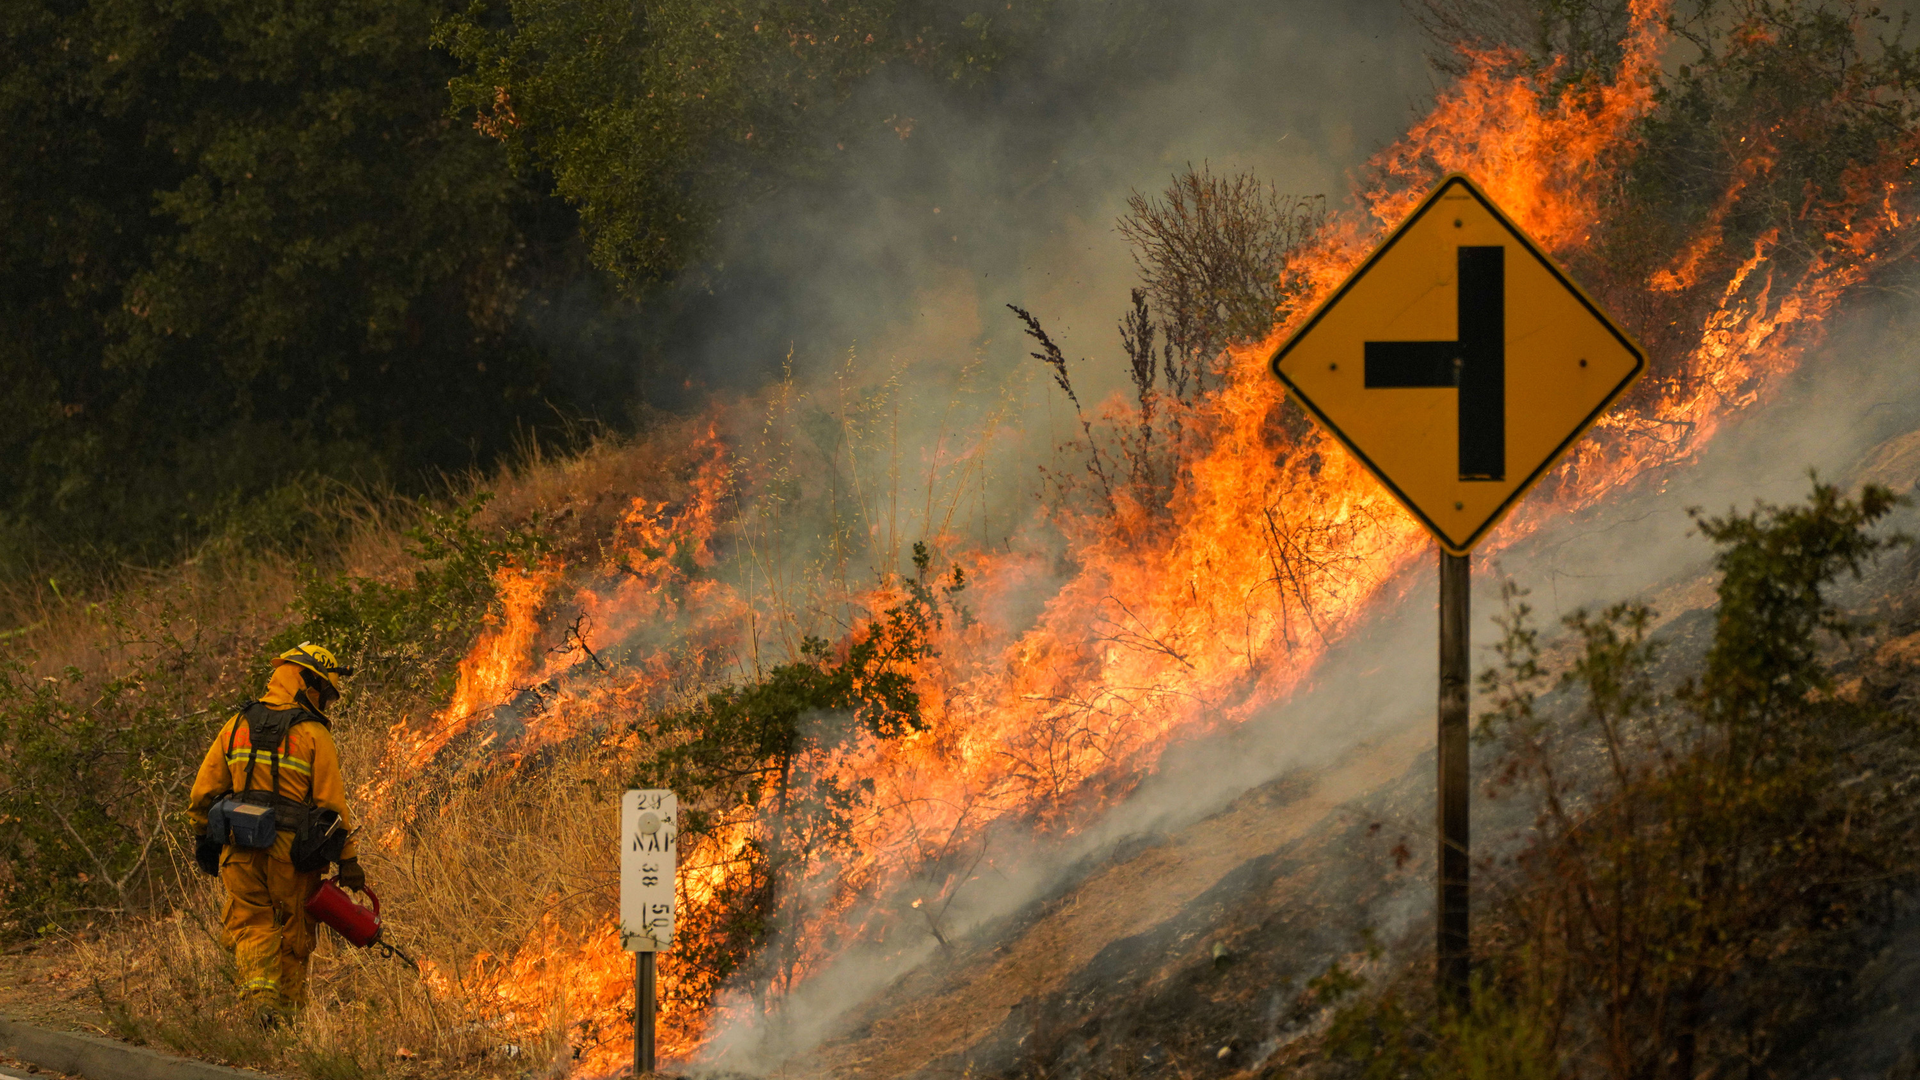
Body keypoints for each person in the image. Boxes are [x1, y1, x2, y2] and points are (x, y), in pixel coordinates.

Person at [188, 643, 363, 1024]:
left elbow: (203, 790)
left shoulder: (236, 725)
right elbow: (332, 806)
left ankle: (259, 1001)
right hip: (289, 853)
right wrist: (348, 860)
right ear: (309, 681)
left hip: (237, 846)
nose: (327, 702)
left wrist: (203, 836)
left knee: (250, 924)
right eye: (326, 693)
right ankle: (286, 1018)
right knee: (292, 931)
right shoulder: (314, 734)